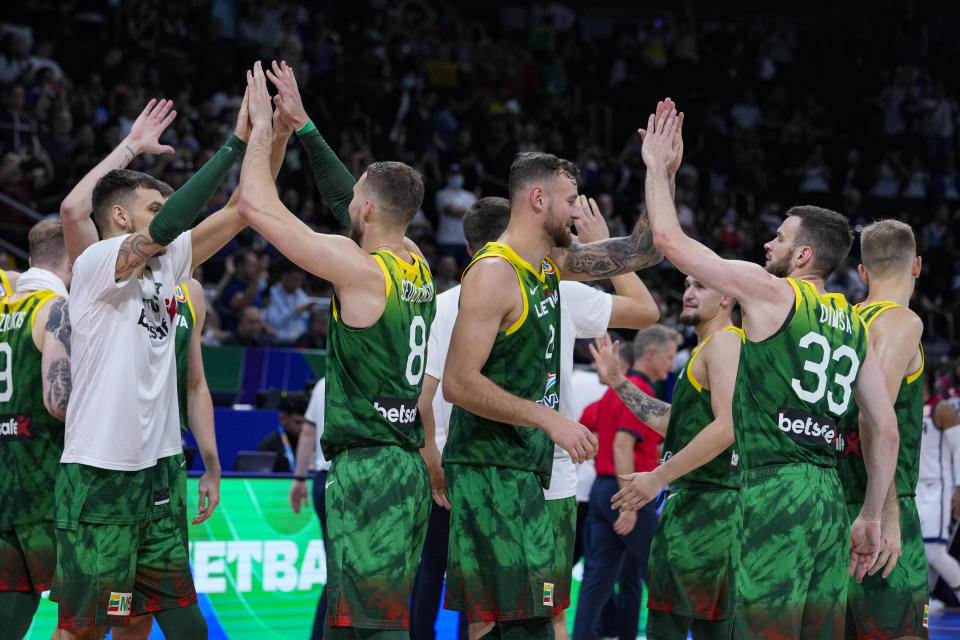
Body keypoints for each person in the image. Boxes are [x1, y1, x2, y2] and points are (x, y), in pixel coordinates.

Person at [613, 99, 899, 639]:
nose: (769, 242)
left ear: (804, 257)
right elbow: (884, 429)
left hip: (774, 485)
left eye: (781, 237)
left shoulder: (772, 294)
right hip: (830, 494)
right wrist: (870, 516)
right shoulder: (853, 322)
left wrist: (657, 169)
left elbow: (671, 242)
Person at [238, 61, 436, 639]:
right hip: (403, 464)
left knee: (372, 626)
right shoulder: (414, 259)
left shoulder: (361, 269)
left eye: (358, 202)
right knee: (356, 618)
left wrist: (257, 131)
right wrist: (303, 127)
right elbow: (346, 202)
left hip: (369, 467)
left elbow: (255, 206)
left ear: (368, 210)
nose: (349, 204)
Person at [53, 87, 257, 639]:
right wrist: (230, 143)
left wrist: (270, 136)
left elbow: (244, 209)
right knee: (84, 628)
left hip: (161, 471)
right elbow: (80, 210)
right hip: (102, 471)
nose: (169, 222)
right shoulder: (98, 263)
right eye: (155, 210)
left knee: (140, 620)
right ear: (121, 216)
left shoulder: (172, 271)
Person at [413, 195, 660, 640]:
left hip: (465, 472)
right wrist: (606, 251)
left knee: (482, 612)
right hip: (535, 465)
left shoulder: (448, 302)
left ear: (470, 250)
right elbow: (645, 310)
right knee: (548, 611)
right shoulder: (552, 285)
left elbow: (423, 397)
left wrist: (432, 463)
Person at [590, 275, 743, 640]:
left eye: (701, 286)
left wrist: (657, 476)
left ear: (726, 298)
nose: (688, 293)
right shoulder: (708, 348)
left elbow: (727, 427)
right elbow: (675, 423)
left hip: (708, 507)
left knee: (670, 627)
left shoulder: (723, 343)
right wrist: (619, 382)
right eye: (687, 285)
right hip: (704, 506)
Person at [835, 219, 929, 638]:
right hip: (876, 506)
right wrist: (886, 514)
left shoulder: (841, 322)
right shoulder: (901, 323)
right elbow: (873, 417)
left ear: (863, 273)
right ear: (917, 267)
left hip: (831, 504)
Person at [573, 325, 679, 640]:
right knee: (655, 576)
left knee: (599, 582)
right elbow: (622, 443)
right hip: (629, 492)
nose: (671, 366)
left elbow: (589, 425)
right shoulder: (638, 393)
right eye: (669, 357)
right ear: (651, 353)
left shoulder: (612, 393)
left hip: (602, 490)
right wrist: (629, 502)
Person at [0, 219, 71, 639]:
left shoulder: (6, 306)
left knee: (9, 616)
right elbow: (60, 403)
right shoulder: (57, 310)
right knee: (90, 618)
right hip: (48, 490)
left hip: (5, 487)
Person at [290, 378, 331, 640]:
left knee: (338, 574)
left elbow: (308, 432)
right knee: (344, 575)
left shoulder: (321, 384)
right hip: (344, 479)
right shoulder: (371, 373)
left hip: (321, 480)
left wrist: (299, 478)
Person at [918, 370, 960, 606]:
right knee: (917, 553)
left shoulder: (941, 408)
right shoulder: (908, 408)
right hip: (913, 489)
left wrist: (958, 489)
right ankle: (925, 602)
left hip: (938, 488)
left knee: (934, 553)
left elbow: (959, 451)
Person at [257, 392, 309, 472]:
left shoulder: (315, 442)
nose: (303, 427)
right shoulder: (269, 447)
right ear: (282, 419)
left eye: (306, 422)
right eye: (298, 422)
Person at [265, 258, 314, 343]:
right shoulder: (272, 293)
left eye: (301, 280)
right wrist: (294, 312)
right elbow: (273, 323)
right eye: (295, 279)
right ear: (285, 276)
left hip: (300, 343)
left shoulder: (302, 295)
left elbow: (306, 322)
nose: (298, 284)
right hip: (278, 342)